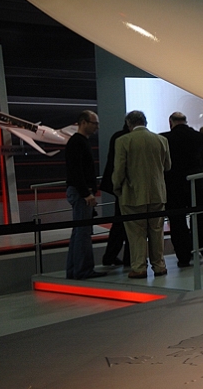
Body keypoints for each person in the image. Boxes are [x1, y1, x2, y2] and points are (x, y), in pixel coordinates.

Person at [113, 110, 171, 279]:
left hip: (132, 194)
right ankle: (159, 266)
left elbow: (119, 170)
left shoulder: (123, 141)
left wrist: (117, 188)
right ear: (145, 122)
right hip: (157, 193)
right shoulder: (161, 140)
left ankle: (139, 267)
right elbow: (168, 166)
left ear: (129, 124)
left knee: (136, 233)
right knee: (156, 231)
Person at [161, 111, 203, 266]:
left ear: (171, 122)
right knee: (201, 219)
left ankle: (183, 257)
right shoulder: (198, 137)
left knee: (177, 222)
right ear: (186, 121)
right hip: (196, 184)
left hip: (174, 185)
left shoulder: (165, 138)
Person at [64, 109, 105, 279]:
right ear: (83, 122)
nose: (97, 127)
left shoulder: (78, 141)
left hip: (80, 192)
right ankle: (83, 270)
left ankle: (74, 270)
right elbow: (76, 170)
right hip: (81, 194)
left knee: (79, 233)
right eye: (94, 123)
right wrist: (86, 193)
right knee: (83, 233)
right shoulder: (77, 142)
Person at [99, 119, 131, 267]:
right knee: (129, 224)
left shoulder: (117, 137)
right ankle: (127, 258)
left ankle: (110, 256)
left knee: (119, 223)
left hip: (119, 187)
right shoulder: (126, 138)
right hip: (127, 187)